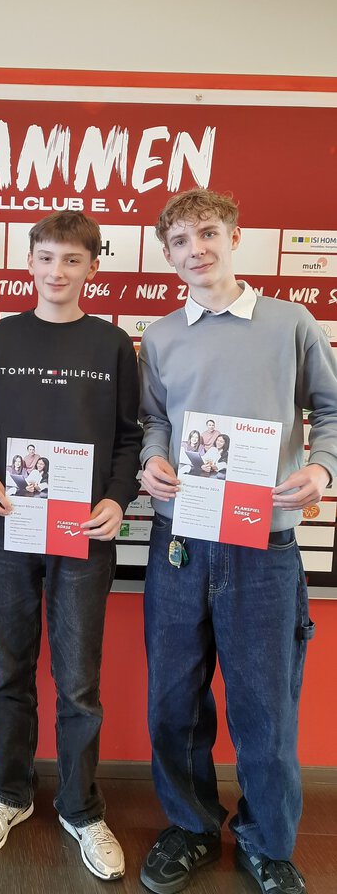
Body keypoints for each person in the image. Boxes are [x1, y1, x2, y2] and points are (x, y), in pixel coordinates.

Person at [138, 188, 337, 894]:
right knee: (173, 700)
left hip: (264, 546)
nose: (196, 249)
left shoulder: (291, 322)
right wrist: (151, 460)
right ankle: (191, 826)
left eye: (207, 233)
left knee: (264, 705)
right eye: (180, 241)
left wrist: (322, 468)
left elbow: (330, 409)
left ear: (234, 237)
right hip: (180, 539)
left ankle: (267, 842)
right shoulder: (161, 336)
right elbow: (155, 419)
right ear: (168, 256)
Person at [0, 211, 141, 881]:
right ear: (30, 262)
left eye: (72, 259)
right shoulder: (4, 337)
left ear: (92, 267)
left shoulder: (113, 344)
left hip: (83, 535)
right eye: (46, 258)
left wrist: (117, 499)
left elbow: (129, 437)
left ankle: (80, 807)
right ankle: (8, 794)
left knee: (78, 683)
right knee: (8, 672)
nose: (57, 271)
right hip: (9, 529)